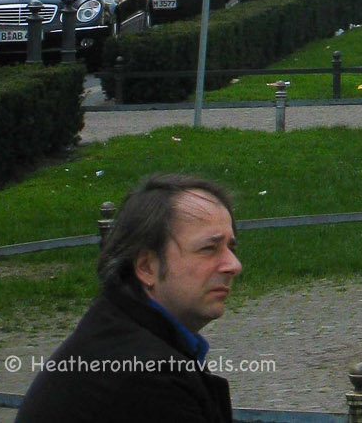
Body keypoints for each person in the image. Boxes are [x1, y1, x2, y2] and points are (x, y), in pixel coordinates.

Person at [15, 173, 239, 423]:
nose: (233, 265)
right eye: (209, 249)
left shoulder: (117, 331)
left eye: (231, 247)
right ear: (146, 267)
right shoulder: (147, 378)